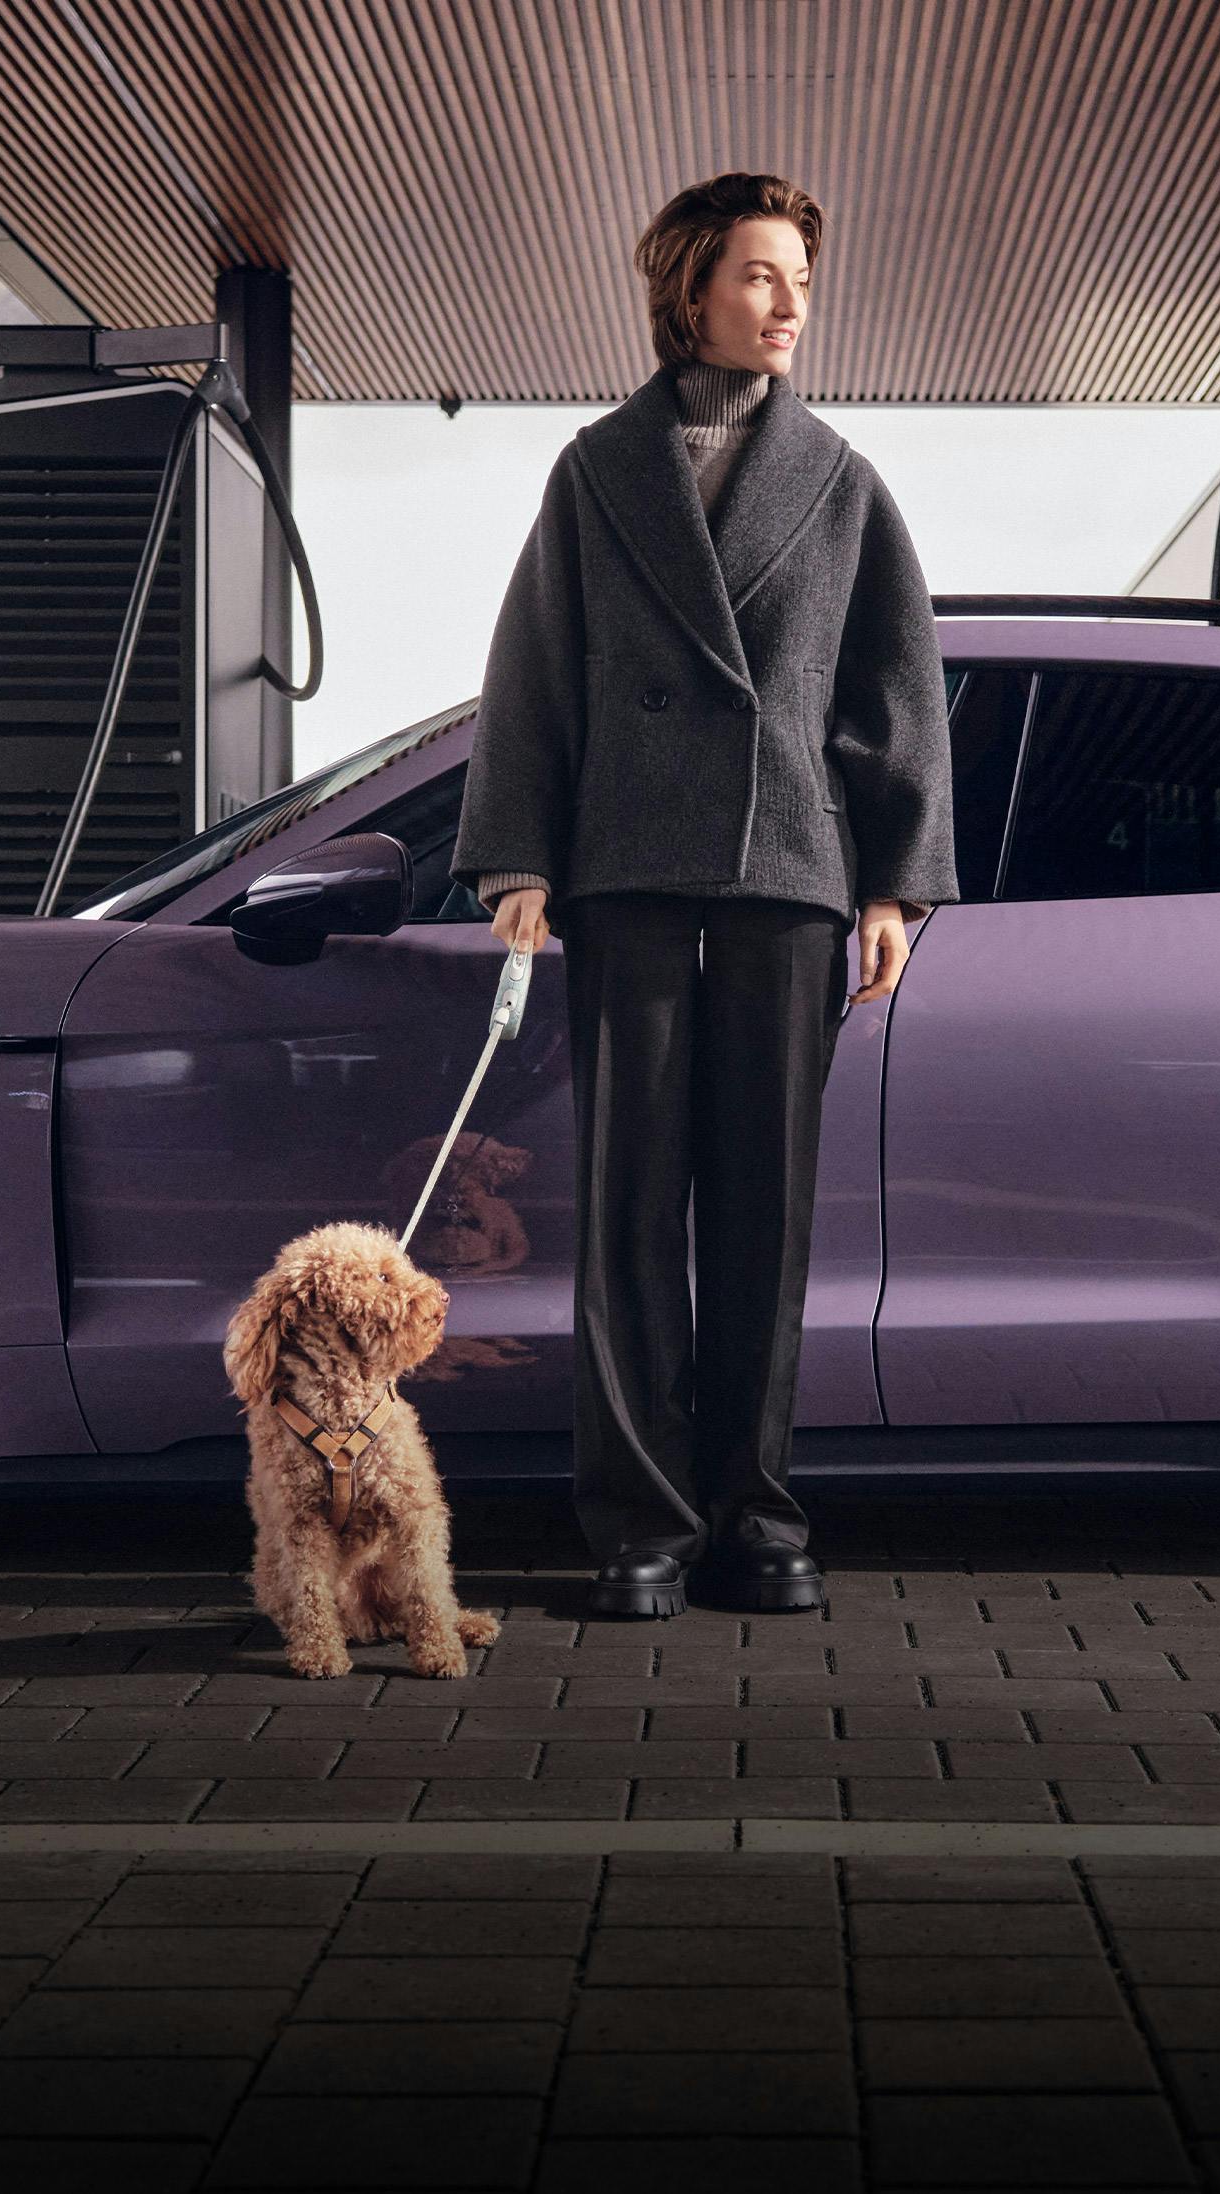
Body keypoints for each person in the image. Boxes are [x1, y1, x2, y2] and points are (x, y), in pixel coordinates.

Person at [461, 172, 955, 1621]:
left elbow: (898, 693)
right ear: (691, 289)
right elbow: (533, 668)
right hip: (625, 878)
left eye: (801, 276)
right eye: (759, 274)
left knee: (764, 1218)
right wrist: (522, 857)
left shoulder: (845, 480)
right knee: (625, 1222)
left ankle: (758, 1511)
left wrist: (892, 887)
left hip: (789, 879)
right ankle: (639, 1525)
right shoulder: (596, 468)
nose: (790, 302)